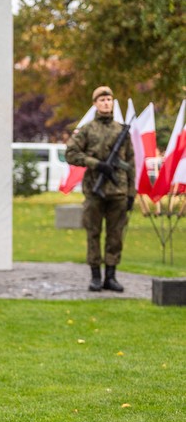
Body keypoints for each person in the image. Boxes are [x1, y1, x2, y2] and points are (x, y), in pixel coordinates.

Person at [65, 86, 135, 292]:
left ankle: (111, 276)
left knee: (115, 235)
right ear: (95, 103)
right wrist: (95, 164)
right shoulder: (87, 130)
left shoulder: (121, 130)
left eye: (109, 99)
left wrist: (131, 193)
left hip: (118, 190)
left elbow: (131, 163)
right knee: (93, 232)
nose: (106, 103)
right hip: (94, 190)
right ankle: (96, 275)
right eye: (102, 100)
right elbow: (71, 153)